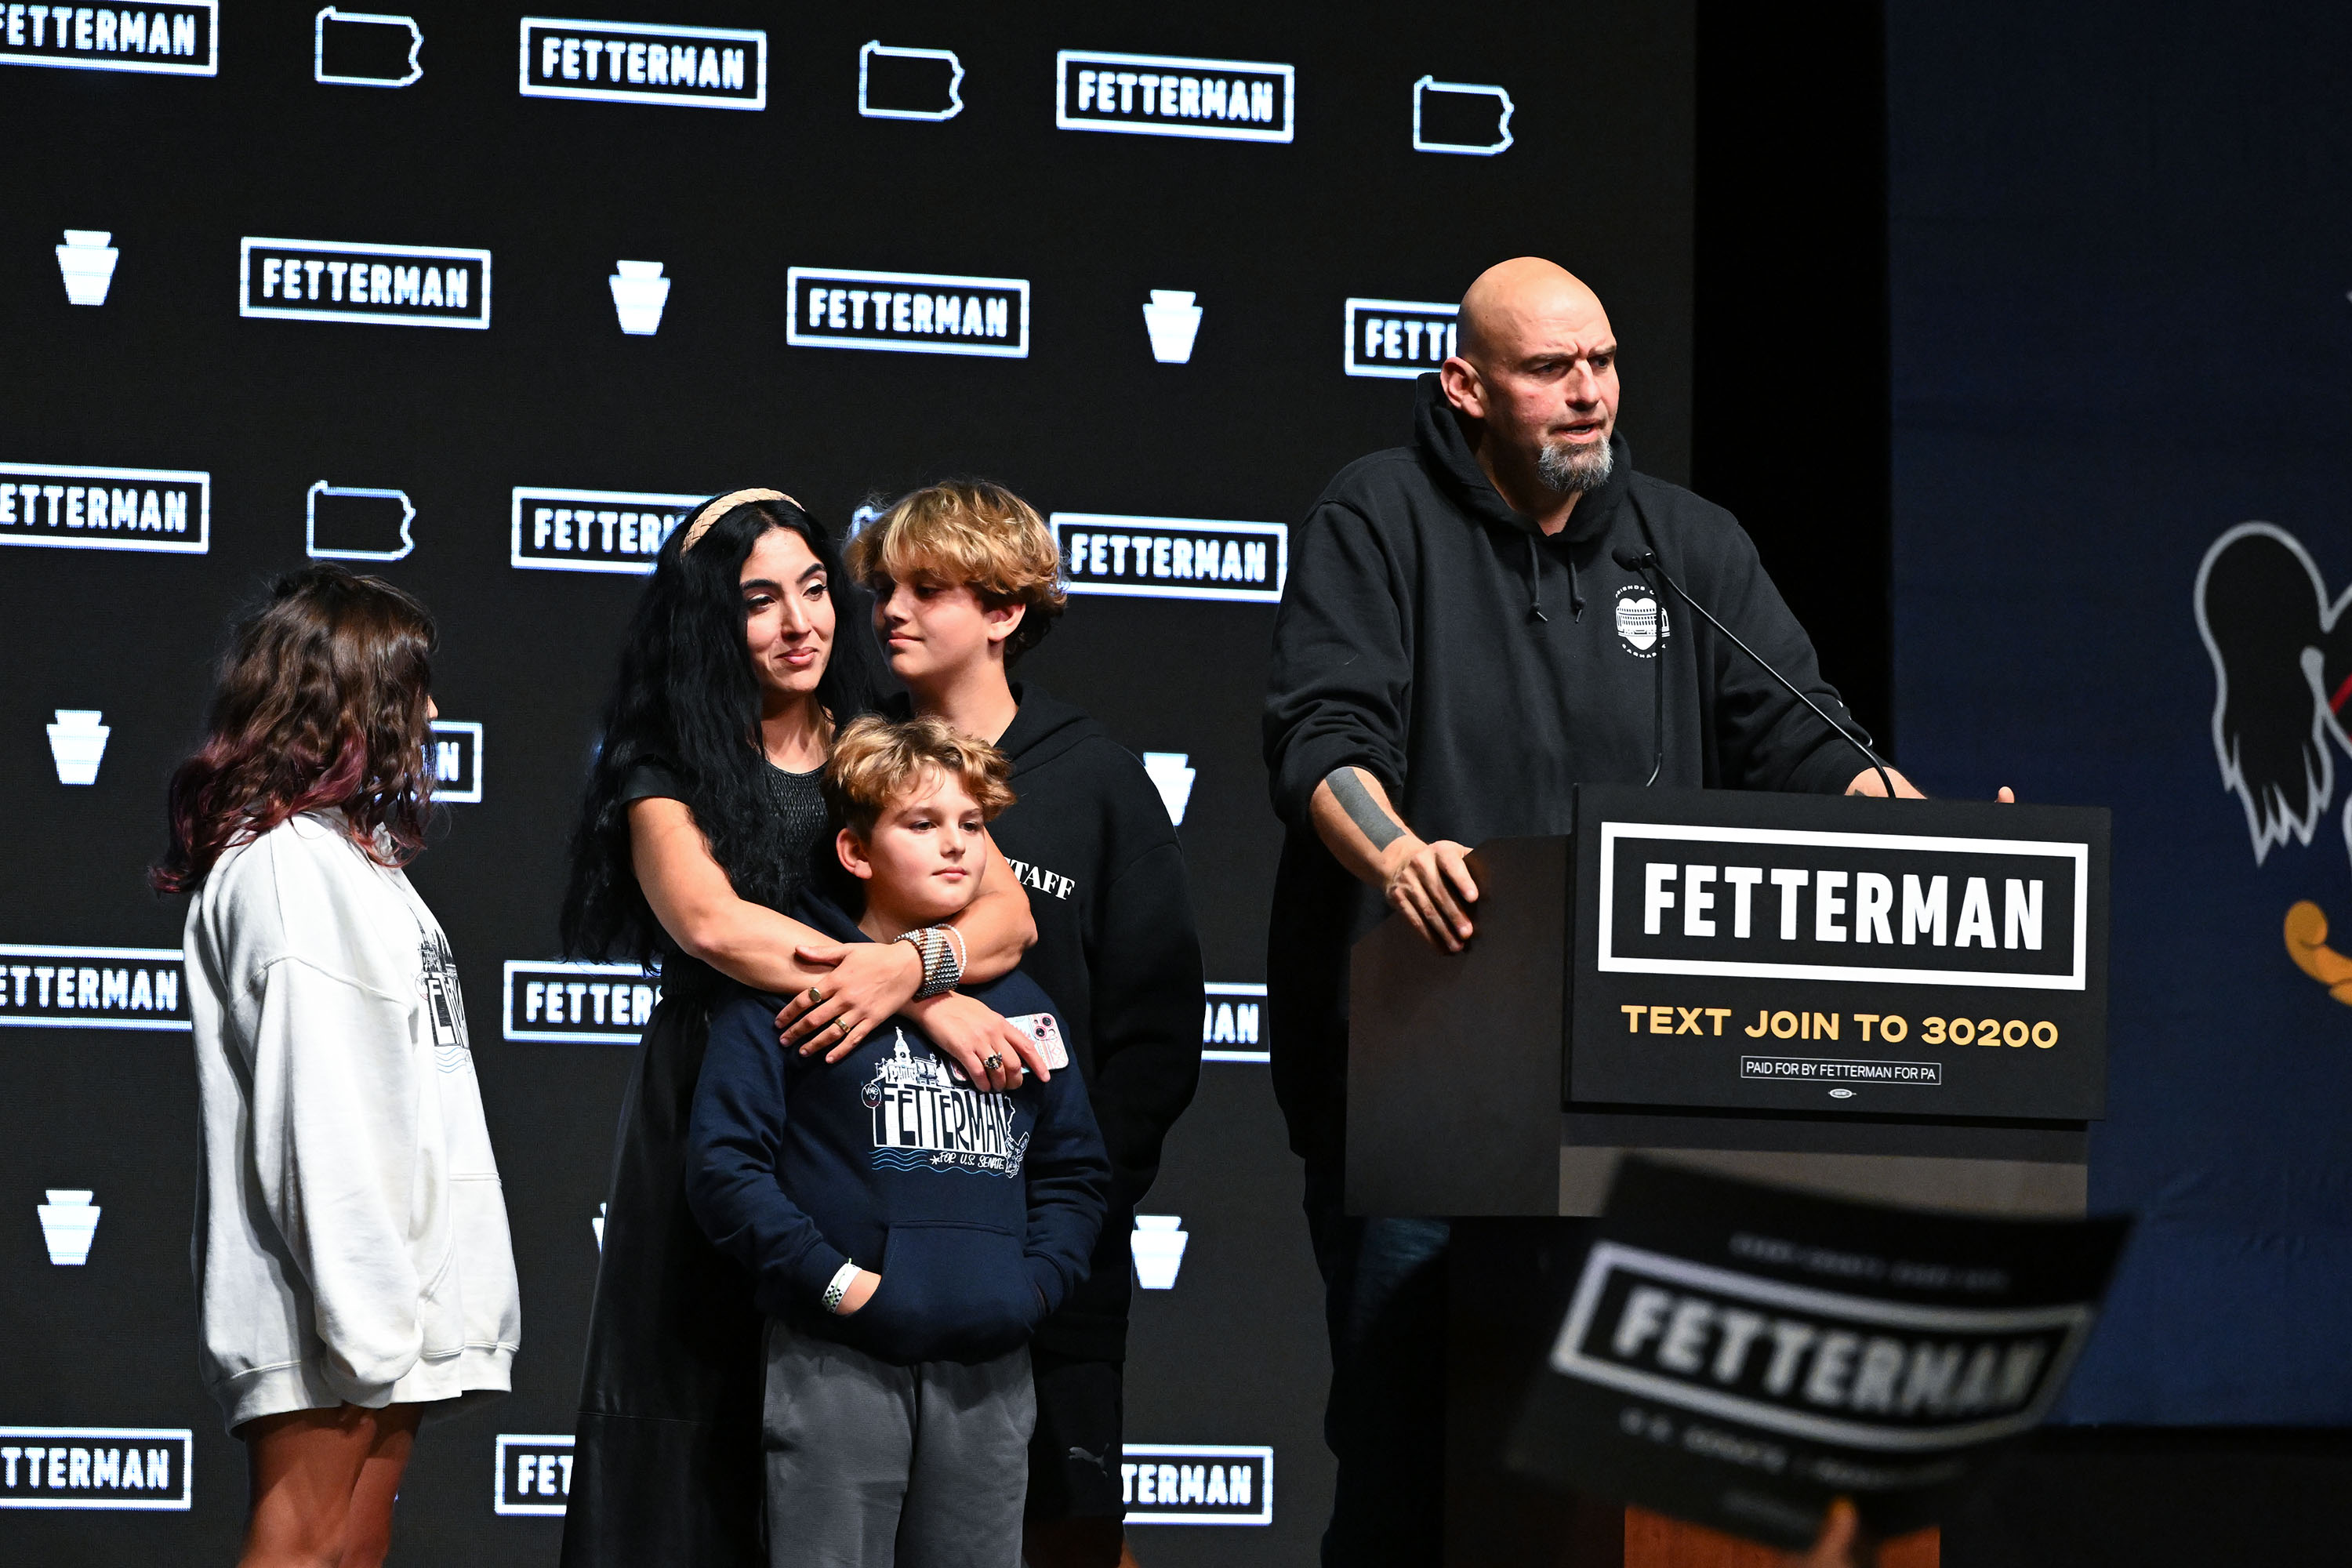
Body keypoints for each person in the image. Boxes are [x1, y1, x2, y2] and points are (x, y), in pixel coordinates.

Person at [1262, 258, 1959, 1564]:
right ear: (1467, 387)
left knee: (1620, 1472)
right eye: (1549, 370)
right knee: (1413, 1453)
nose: (1590, 395)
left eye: (1604, 362)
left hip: (1641, 1079)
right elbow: (1322, 741)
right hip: (1424, 1084)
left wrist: (1896, 809)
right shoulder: (1377, 518)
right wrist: (1400, 850)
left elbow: (1806, 742)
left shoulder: (1686, 546)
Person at [558, 491, 1052, 1566]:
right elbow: (712, 924)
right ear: (707, 622)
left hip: (869, 1123)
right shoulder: (662, 762)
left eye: (818, 590)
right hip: (724, 1105)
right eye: (760, 601)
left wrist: (912, 966)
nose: (802, 623)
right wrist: (924, 991)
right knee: (701, 1413)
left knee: (853, 1431)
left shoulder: (875, 742)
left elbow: (1009, 914)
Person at [851, 482, 1203, 1568]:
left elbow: (1157, 1022)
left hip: (1049, 1263)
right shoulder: (856, 769)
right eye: (886, 590)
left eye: (928, 589)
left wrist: (1077, 1209)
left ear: (1006, 612)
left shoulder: (1096, 781)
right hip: (877, 1249)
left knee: (1060, 1542)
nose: (891, 613)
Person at [158, 564, 521, 1568]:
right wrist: (364, 1307)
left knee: (353, 1547)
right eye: (414, 686)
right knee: (305, 1546)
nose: (436, 710)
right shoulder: (282, 865)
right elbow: (312, 1104)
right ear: (348, 700)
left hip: (379, 1300)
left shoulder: (348, 860)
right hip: (330, 1301)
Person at [686, 714, 1112, 1567]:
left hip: (992, 1368)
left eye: (972, 825)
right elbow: (725, 1168)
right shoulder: (798, 987)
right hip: (838, 1363)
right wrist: (840, 1286)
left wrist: (1023, 1291)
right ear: (855, 850)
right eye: (922, 824)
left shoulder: (1025, 1002)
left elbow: (1075, 1172)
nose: (957, 847)